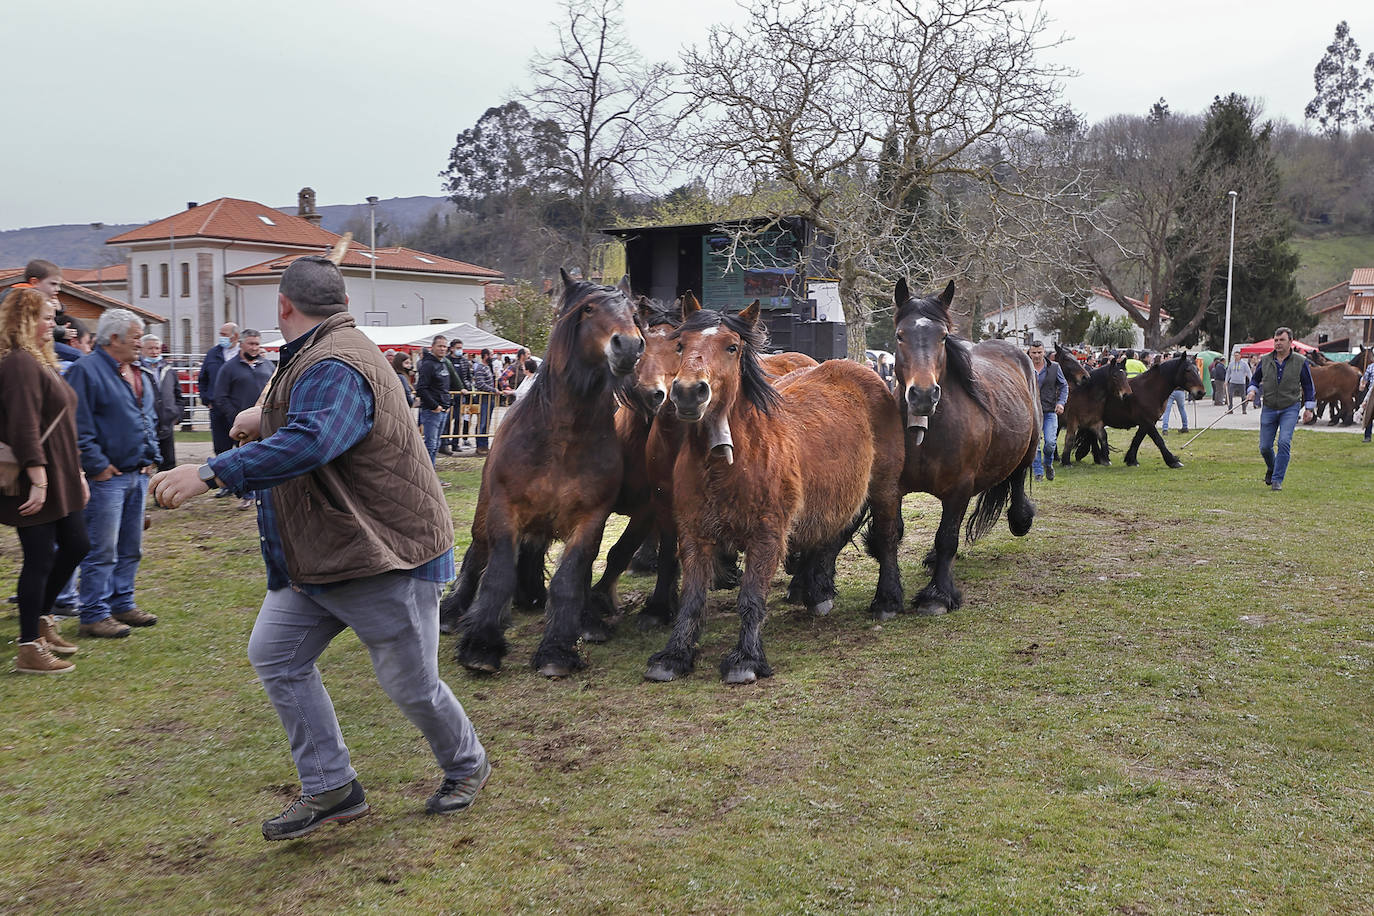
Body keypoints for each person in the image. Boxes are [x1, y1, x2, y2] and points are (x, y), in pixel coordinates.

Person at [149, 255, 489, 840]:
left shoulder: (335, 359)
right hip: (324, 555)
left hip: (386, 556)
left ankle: (467, 764)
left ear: (284, 305)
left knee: (412, 685)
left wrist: (210, 473)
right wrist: (265, 414)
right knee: (276, 656)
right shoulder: (318, 351)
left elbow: (314, 439)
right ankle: (332, 787)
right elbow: (308, 416)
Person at [0, 289, 90, 673]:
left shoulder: (40, 359)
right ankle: (28, 647)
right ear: (25, 320)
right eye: (46, 317)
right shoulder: (19, 362)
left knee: (77, 544)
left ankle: (40, 619)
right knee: (38, 558)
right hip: (35, 478)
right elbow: (23, 427)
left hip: (59, 474)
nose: (55, 324)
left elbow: (61, 426)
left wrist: (78, 474)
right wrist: (38, 481)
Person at [63, 308, 161, 637]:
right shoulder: (85, 371)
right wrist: (98, 466)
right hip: (107, 480)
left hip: (137, 474)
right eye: (135, 337)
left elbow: (147, 418)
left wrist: (151, 456)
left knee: (131, 546)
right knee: (102, 549)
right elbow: (77, 426)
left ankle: (122, 602)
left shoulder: (136, 371)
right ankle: (93, 613)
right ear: (114, 338)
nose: (140, 343)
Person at [1245, 327, 1315, 492]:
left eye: (1281, 340)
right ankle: (1273, 467)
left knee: (1284, 442)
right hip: (1269, 407)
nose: (1278, 343)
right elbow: (1255, 380)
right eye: (1276, 340)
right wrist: (1252, 391)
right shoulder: (1266, 360)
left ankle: (1277, 480)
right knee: (1264, 447)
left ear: (1290, 341)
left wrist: (1309, 409)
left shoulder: (1300, 361)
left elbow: (1308, 386)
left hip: (1290, 407)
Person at [213, 330, 275, 510]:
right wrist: (236, 418)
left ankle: (261, 493)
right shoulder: (229, 368)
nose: (254, 348)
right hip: (239, 425)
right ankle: (246, 494)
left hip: (263, 424)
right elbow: (220, 397)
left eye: (257, 344)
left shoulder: (267, 366)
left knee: (261, 459)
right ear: (241, 344)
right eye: (251, 344)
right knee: (240, 459)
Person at [197, 323, 240, 494]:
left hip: (238, 409)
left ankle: (244, 485)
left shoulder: (242, 355)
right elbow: (203, 379)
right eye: (220, 333)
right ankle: (225, 484)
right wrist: (206, 399)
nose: (220, 336)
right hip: (217, 409)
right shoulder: (213, 354)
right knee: (221, 448)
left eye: (224, 333)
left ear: (235, 337)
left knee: (242, 445)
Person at [140, 334, 186, 471]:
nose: (154, 352)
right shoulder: (136, 370)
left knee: (168, 462)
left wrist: (177, 415)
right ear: (142, 350)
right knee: (146, 462)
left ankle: (165, 491)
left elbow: (179, 396)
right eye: (150, 348)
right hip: (146, 425)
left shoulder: (169, 370)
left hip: (167, 423)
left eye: (157, 348)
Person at [1027, 341, 1067, 481]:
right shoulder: (1025, 367)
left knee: (1050, 443)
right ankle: (1038, 472)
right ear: (1029, 353)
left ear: (1044, 352)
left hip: (1049, 411)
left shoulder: (1055, 367)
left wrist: (1061, 403)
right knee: (1035, 444)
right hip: (1031, 412)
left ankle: (1048, 464)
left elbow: (1063, 386)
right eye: (1034, 353)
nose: (1037, 355)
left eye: (1039, 352)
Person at [414, 335, 453, 465]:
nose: (442, 349)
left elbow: (445, 386)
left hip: (442, 409)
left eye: (444, 346)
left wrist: (447, 405)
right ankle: (427, 477)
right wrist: (434, 406)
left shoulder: (443, 364)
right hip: (432, 411)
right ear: (433, 347)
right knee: (430, 445)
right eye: (440, 346)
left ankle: (432, 476)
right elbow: (421, 388)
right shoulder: (428, 365)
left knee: (436, 445)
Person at [472, 347, 497, 456]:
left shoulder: (488, 367)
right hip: (483, 399)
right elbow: (480, 384)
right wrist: (493, 390)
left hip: (490, 399)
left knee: (487, 423)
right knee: (482, 423)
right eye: (491, 355)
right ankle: (480, 445)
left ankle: (485, 445)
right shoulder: (480, 368)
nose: (493, 357)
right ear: (486, 356)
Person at [1357, 358, 1374, 443]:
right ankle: (1367, 436)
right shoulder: (1370, 367)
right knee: (1369, 414)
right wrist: (1362, 384)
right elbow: (1365, 379)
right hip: (1372, 393)